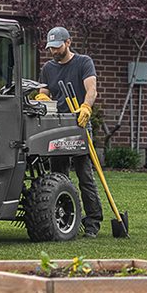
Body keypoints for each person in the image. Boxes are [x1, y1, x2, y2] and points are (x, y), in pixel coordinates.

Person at [38, 26, 103, 239]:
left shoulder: (84, 62)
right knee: (59, 176)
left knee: (85, 175)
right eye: (51, 48)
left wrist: (86, 107)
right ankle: (62, 219)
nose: (54, 51)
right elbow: (44, 92)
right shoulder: (48, 67)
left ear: (68, 42)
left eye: (57, 47)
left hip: (79, 123)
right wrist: (42, 99)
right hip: (57, 125)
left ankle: (93, 222)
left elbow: (91, 89)